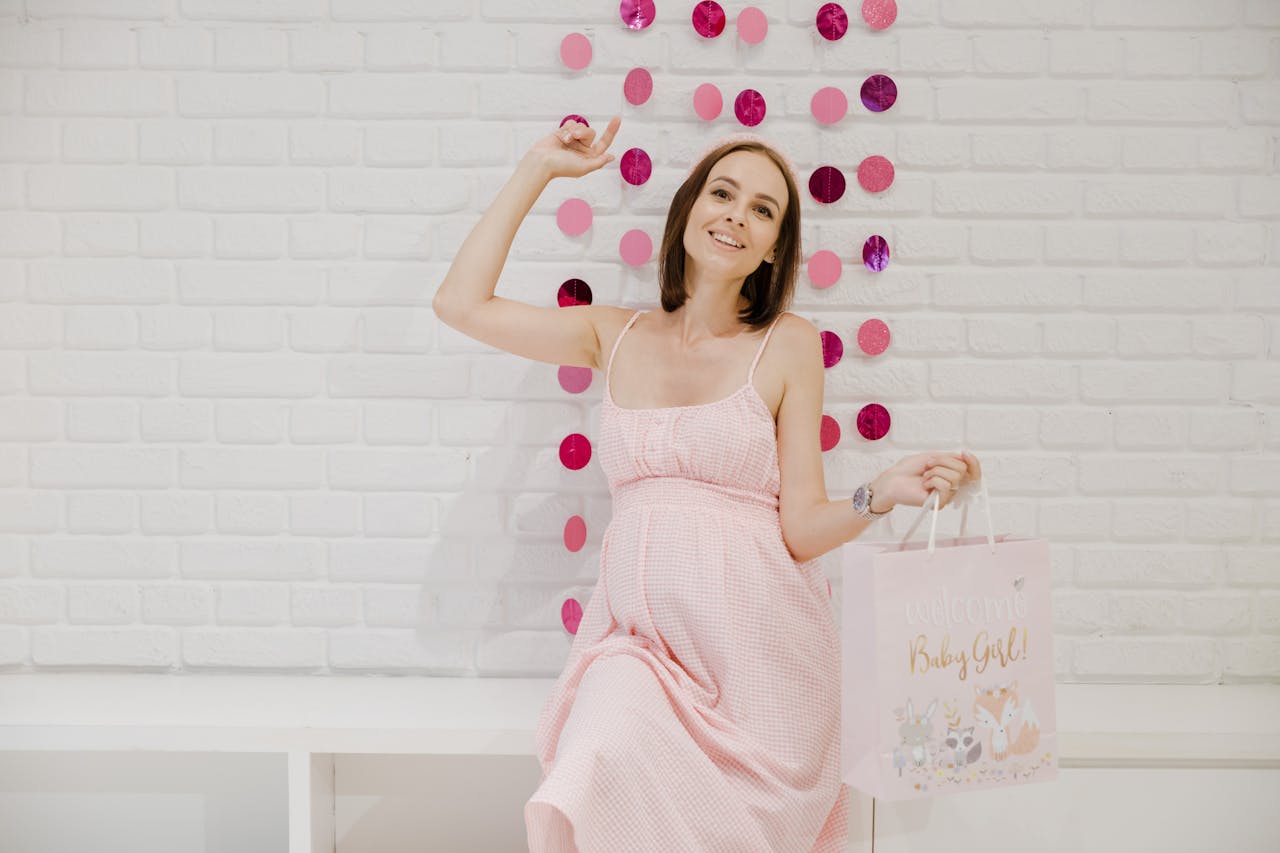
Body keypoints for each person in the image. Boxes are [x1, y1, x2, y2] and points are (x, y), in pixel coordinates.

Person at [433, 116, 982, 852]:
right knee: (594, 756)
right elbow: (460, 304)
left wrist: (876, 493)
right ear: (689, 208)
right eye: (723, 193)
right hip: (642, 653)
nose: (737, 216)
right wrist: (538, 167)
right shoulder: (613, 335)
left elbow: (799, 527)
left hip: (761, 662)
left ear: (773, 247)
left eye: (763, 209)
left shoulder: (787, 345)